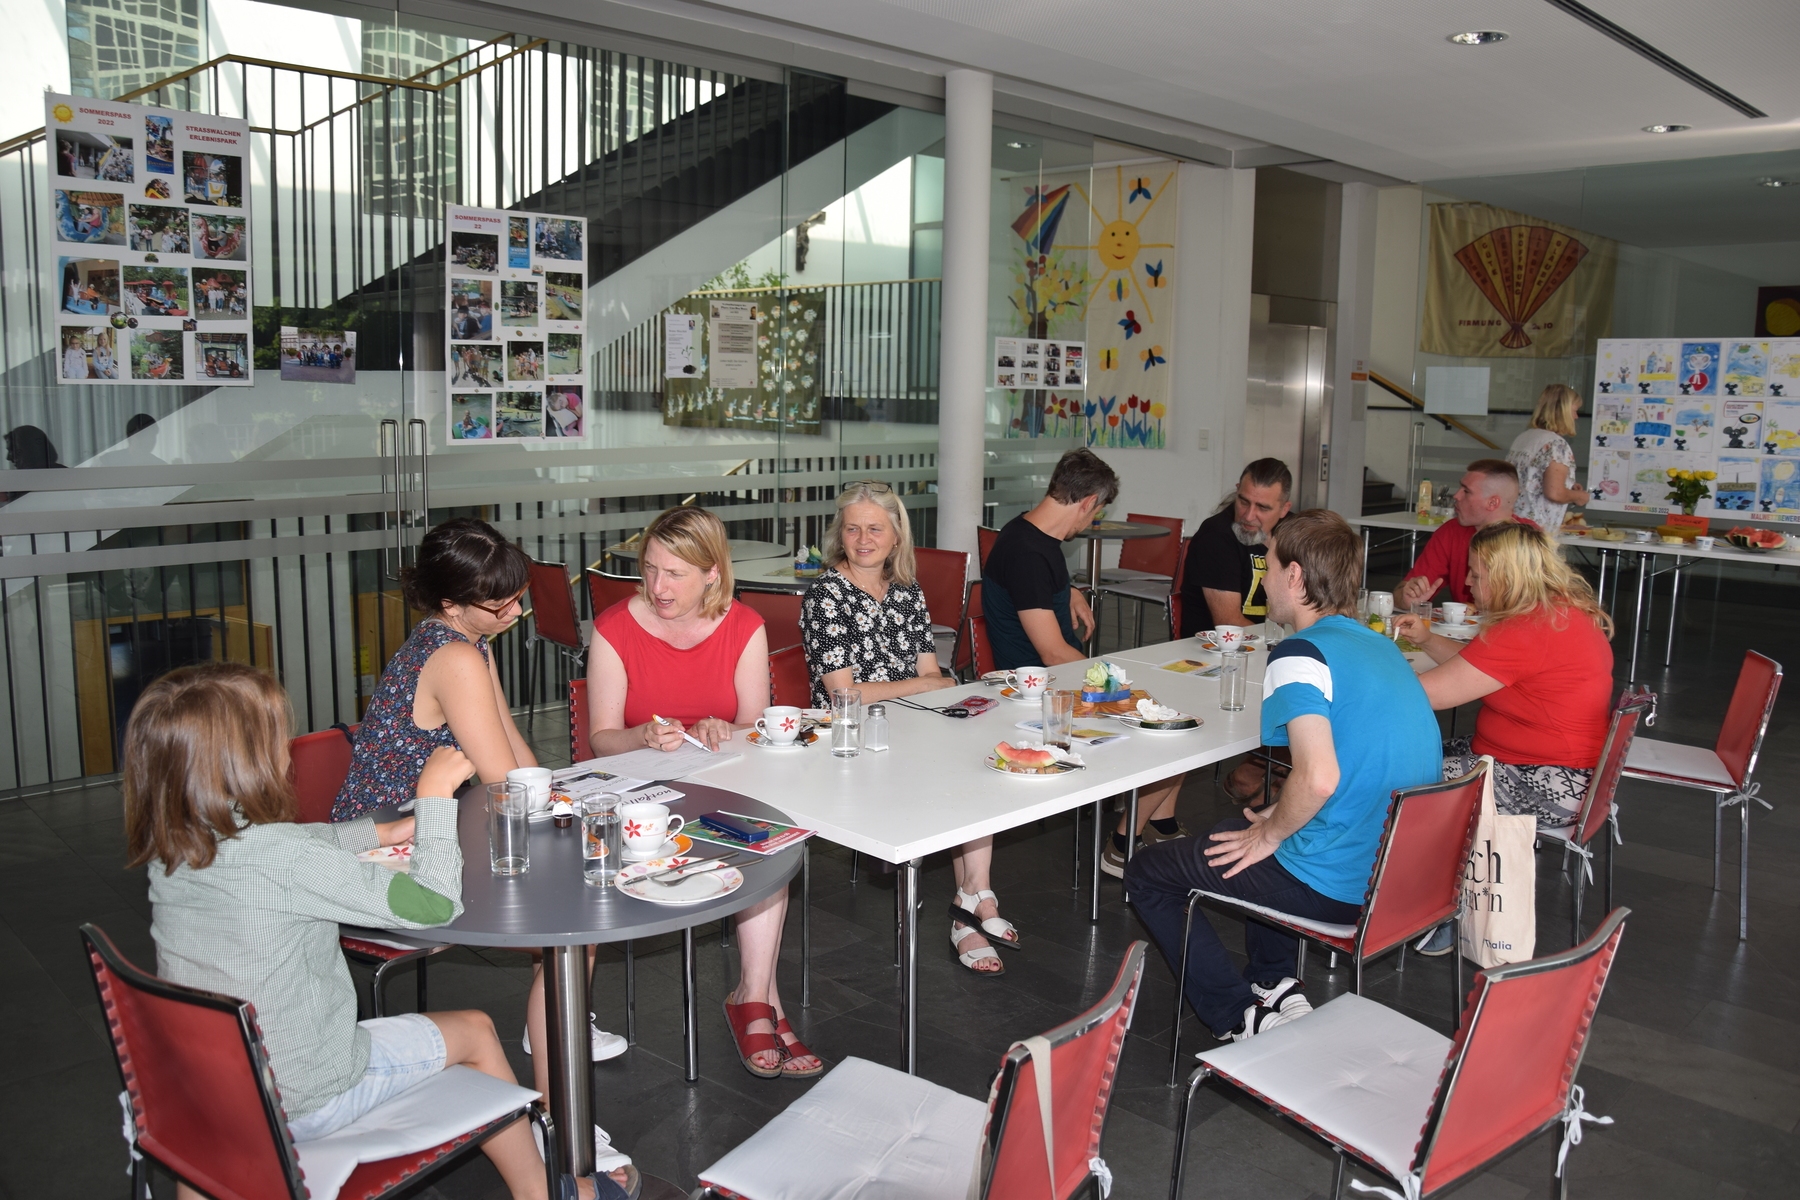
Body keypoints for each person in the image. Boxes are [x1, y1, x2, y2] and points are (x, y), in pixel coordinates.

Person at [124, 663, 637, 1200]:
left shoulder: (172, 851)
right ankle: (546, 1193)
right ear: (247, 761)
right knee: (477, 1031)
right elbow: (433, 904)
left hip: (205, 1091)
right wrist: (434, 797)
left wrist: (380, 831)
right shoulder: (285, 860)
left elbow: (290, 847)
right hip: (304, 1093)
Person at [1125, 509, 1442, 1040]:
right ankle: (1273, 983)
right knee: (1248, 827)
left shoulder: (1300, 652)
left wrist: (1272, 833)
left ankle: (1236, 1017)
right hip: (1396, 879)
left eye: (1268, 565)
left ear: (1294, 577)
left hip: (1339, 886)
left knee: (1149, 872)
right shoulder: (1380, 645)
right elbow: (1360, 765)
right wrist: (1272, 822)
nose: (1263, 578)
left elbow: (1317, 779)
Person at [335, 518, 631, 1079]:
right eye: (501, 605)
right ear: (451, 602)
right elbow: (502, 781)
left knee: (570, 885)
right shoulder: (456, 658)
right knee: (574, 915)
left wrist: (554, 794)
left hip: (418, 823)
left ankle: (555, 1026)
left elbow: (514, 749)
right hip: (385, 850)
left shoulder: (465, 640)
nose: (516, 613)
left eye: (517, 598)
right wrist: (556, 806)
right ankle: (557, 1049)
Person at [586, 506, 821, 1081]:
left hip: (720, 782)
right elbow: (601, 738)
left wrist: (726, 727)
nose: (658, 587)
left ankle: (755, 996)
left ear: (712, 572)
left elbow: (752, 723)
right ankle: (760, 1003)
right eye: (650, 569)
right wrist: (642, 735)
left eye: (675, 574)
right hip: (640, 795)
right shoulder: (614, 627)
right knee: (759, 841)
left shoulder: (743, 625)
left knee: (770, 841)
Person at [801, 483, 1018, 977]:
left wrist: (926, 688)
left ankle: (973, 894)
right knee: (959, 774)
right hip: (851, 740)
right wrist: (922, 685)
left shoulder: (906, 591)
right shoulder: (825, 595)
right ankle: (972, 906)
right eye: (853, 529)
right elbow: (845, 695)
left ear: (896, 536)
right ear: (839, 535)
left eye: (875, 528)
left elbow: (933, 676)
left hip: (912, 724)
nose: (863, 539)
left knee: (979, 764)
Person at [981, 450, 1186, 878]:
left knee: (1169, 721)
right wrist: (1126, 691)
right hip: (1044, 697)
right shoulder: (1028, 554)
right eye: (1098, 511)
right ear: (1090, 501)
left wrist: (1069, 590)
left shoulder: (1028, 533)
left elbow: (1036, 585)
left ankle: (1160, 823)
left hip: (1056, 683)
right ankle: (1121, 847)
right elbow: (1054, 654)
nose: (1094, 520)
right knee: (1169, 736)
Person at [1393, 523, 1615, 829]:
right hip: (1563, 772)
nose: (1467, 582)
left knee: (1391, 772)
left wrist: (1367, 672)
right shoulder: (1551, 613)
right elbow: (1478, 667)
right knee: (1406, 752)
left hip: (1543, 783)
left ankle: (1394, 854)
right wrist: (1427, 639)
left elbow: (1429, 695)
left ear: (1505, 578)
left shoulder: (1526, 628)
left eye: (1476, 575)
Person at [1395, 459, 1537, 610]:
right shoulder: (1451, 531)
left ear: (1492, 503)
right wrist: (1407, 598)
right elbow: (1403, 591)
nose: (1456, 495)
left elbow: (1542, 605)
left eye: (1466, 491)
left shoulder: (1530, 539)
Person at [1179, 459, 1293, 638]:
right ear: (1237, 490)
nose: (1249, 515)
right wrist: (1285, 643)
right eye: (1244, 501)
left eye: (1263, 508)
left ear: (1284, 509)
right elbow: (1229, 623)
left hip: (1271, 642)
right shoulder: (1215, 538)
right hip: (1215, 649)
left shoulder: (1295, 533)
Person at [1510, 384, 1591, 532]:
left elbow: (1532, 480)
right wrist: (1578, 496)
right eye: (1574, 411)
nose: (1576, 417)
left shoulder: (1524, 437)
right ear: (1563, 412)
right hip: (1537, 529)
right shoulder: (1556, 444)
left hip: (1513, 521)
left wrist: (1568, 484)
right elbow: (1555, 493)